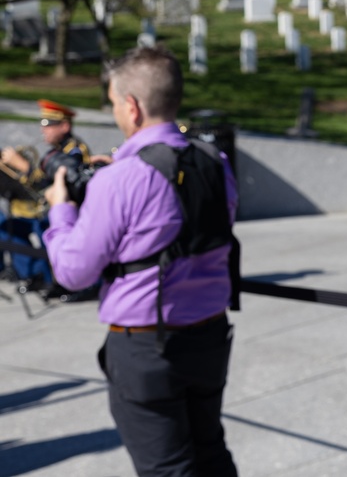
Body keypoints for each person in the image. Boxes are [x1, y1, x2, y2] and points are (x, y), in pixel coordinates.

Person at [42, 46, 239, 477]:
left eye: (113, 102)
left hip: (147, 345)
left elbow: (74, 271)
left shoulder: (120, 180)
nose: (115, 111)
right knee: (210, 451)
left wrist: (61, 211)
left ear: (131, 106)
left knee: (167, 468)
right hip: (210, 333)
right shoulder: (214, 161)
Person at [0, 99, 90, 294]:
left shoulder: (74, 150)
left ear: (64, 126)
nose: (43, 130)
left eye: (48, 125)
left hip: (69, 212)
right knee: (8, 228)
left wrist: (23, 166)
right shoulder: (56, 151)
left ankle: (65, 283)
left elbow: (61, 184)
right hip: (45, 209)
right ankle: (36, 275)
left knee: (44, 229)